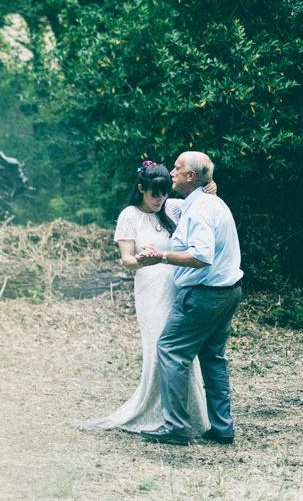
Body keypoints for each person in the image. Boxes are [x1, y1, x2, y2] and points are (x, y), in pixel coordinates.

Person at [76, 161, 211, 434]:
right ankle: (157, 414)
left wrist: (211, 187)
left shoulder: (171, 208)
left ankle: (189, 416)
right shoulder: (130, 215)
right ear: (141, 189)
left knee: (182, 350)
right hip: (150, 288)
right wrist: (145, 258)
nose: (160, 199)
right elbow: (126, 259)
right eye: (154, 193)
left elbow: (204, 202)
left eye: (164, 192)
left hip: (176, 287)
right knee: (160, 348)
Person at [136, 151, 243, 446]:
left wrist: (162, 256)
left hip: (203, 295)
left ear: (190, 177)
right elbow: (164, 205)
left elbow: (201, 255)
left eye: (177, 168)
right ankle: (222, 427)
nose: (172, 172)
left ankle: (176, 427)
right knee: (213, 358)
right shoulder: (209, 203)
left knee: (171, 350)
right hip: (228, 292)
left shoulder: (199, 210)